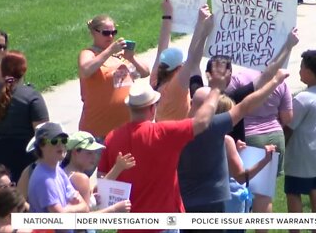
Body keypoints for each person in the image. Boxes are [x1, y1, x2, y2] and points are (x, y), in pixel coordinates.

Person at [97, 65, 229, 230]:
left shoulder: (111, 138)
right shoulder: (164, 132)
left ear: (129, 107)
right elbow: (201, 122)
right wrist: (216, 89)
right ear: (152, 108)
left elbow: (102, 185)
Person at [178, 67, 289, 222]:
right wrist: (276, 80)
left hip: (183, 205)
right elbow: (245, 105)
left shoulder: (174, 131)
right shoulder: (219, 134)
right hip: (213, 205)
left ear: (191, 103)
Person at [78, 14, 150, 138]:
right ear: (93, 33)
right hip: (99, 131)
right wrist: (110, 51)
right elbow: (85, 70)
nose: (111, 36)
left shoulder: (121, 55)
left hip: (126, 130)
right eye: (106, 33)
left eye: (113, 32)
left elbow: (145, 72)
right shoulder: (89, 53)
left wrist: (131, 58)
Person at [283, 50, 316, 233]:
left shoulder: (303, 99)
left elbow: (288, 126)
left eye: (302, 67)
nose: (299, 70)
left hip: (300, 156)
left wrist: (281, 148)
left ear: (310, 72)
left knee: (293, 192)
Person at [0, 51, 49, 182]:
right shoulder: (32, 96)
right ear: (24, 71)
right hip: (23, 162)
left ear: (1, 70)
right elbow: (43, 136)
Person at [150, 0, 212, 121]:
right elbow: (192, 57)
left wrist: (167, 15)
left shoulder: (155, 79)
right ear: (178, 68)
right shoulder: (177, 86)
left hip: (161, 130)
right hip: (177, 136)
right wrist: (200, 23)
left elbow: (162, 47)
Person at [27, 122, 89, 216]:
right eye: (54, 141)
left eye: (63, 140)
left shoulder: (57, 170)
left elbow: (85, 207)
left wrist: (66, 209)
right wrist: (70, 208)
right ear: (41, 145)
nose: (60, 145)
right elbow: (60, 218)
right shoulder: (44, 179)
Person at [62, 131, 132, 213]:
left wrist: (118, 168)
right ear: (75, 152)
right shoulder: (80, 178)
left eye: (95, 152)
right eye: (89, 153)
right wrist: (115, 209)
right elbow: (84, 220)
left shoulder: (63, 171)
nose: (94, 157)